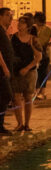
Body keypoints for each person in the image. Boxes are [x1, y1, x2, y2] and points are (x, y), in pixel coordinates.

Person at [10, 15, 42, 131]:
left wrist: (27, 68)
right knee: (16, 97)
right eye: (19, 22)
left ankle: (27, 124)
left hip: (29, 72)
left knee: (28, 97)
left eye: (22, 23)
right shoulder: (13, 38)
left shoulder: (33, 39)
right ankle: (19, 123)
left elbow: (38, 57)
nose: (19, 25)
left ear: (28, 26)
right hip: (16, 71)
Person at [33, 10, 51, 99]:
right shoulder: (33, 28)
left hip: (44, 53)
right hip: (35, 53)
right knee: (36, 72)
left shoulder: (48, 28)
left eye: (35, 18)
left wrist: (49, 44)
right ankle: (37, 91)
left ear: (38, 19)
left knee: (43, 72)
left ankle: (42, 92)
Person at [0, 7, 15, 136]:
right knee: (6, 95)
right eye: (7, 15)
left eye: (11, 15)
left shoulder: (5, 31)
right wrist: (4, 67)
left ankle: (1, 124)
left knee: (4, 97)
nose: (10, 18)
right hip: (1, 71)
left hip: (6, 70)